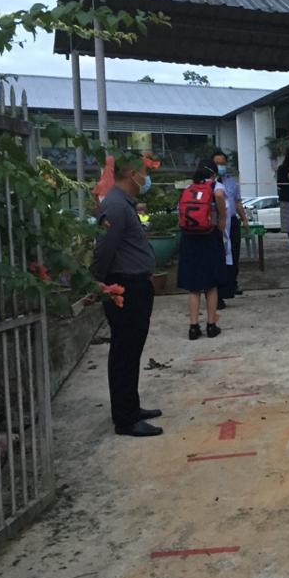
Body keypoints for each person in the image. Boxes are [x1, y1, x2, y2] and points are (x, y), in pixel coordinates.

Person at [91, 155, 163, 438]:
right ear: (132, 173)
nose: (146, 178)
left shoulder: (123, 204)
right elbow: (104, 248)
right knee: (124, 352)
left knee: (131, 351)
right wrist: (98, 283)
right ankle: (125, 419)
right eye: (144, 172)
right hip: (125, 287)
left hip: (135, 285)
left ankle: (131, 407)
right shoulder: (116, 205)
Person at [177, 162, 227, 341]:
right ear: (212, 175)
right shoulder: (214, 188)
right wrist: (222, 217)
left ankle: (193, 327)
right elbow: (220, 196)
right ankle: (211, 325)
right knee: (211, 285)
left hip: (189, 239)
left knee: (194, 288)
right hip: (209, 237)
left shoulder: (188, 189)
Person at [213, 150, 248, 301]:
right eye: (217, 164)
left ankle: (232, 284)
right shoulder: (209, 183)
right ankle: (218, 289)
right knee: (219, 255)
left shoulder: (231, 181)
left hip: (232, 221)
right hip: (216, 223)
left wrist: (244, 219)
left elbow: (237, 202)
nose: (220, 166)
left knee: (234, 253)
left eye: (223, 163)